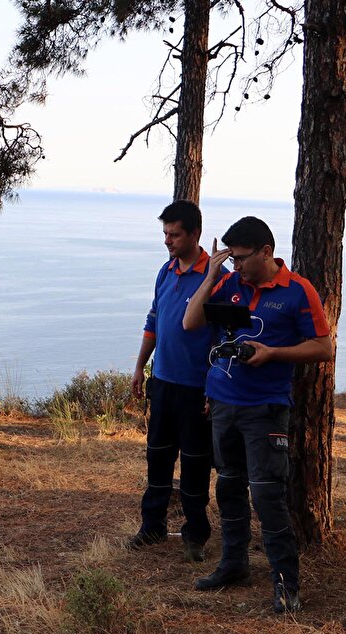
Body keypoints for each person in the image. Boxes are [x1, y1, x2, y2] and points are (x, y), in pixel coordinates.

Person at [181, 216, 333, 613]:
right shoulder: (230, 283)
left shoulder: (298, 291)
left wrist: (273, 353)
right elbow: (190, 321)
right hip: (223, 403)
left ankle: (286, 583)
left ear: (266, 252)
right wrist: (211, 276)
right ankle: (234, 565)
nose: (238, 266)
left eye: (242, 258)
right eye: (231, 259)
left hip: (264, 408)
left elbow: (323, 348)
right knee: (228, 487)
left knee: (267, 496)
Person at [128, 200, 225, 561]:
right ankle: (151, 526)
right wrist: (140, 367)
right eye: (165, 233)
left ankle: (195, 535)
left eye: (175, 234)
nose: (167, 240)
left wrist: (215, 388)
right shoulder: (165, 271)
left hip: (197, 387)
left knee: (196, 464)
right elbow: (154, 320)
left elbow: (224, 337)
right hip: (163, 382)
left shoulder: (217, 277)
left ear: (195, 234)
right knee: (158, 458)